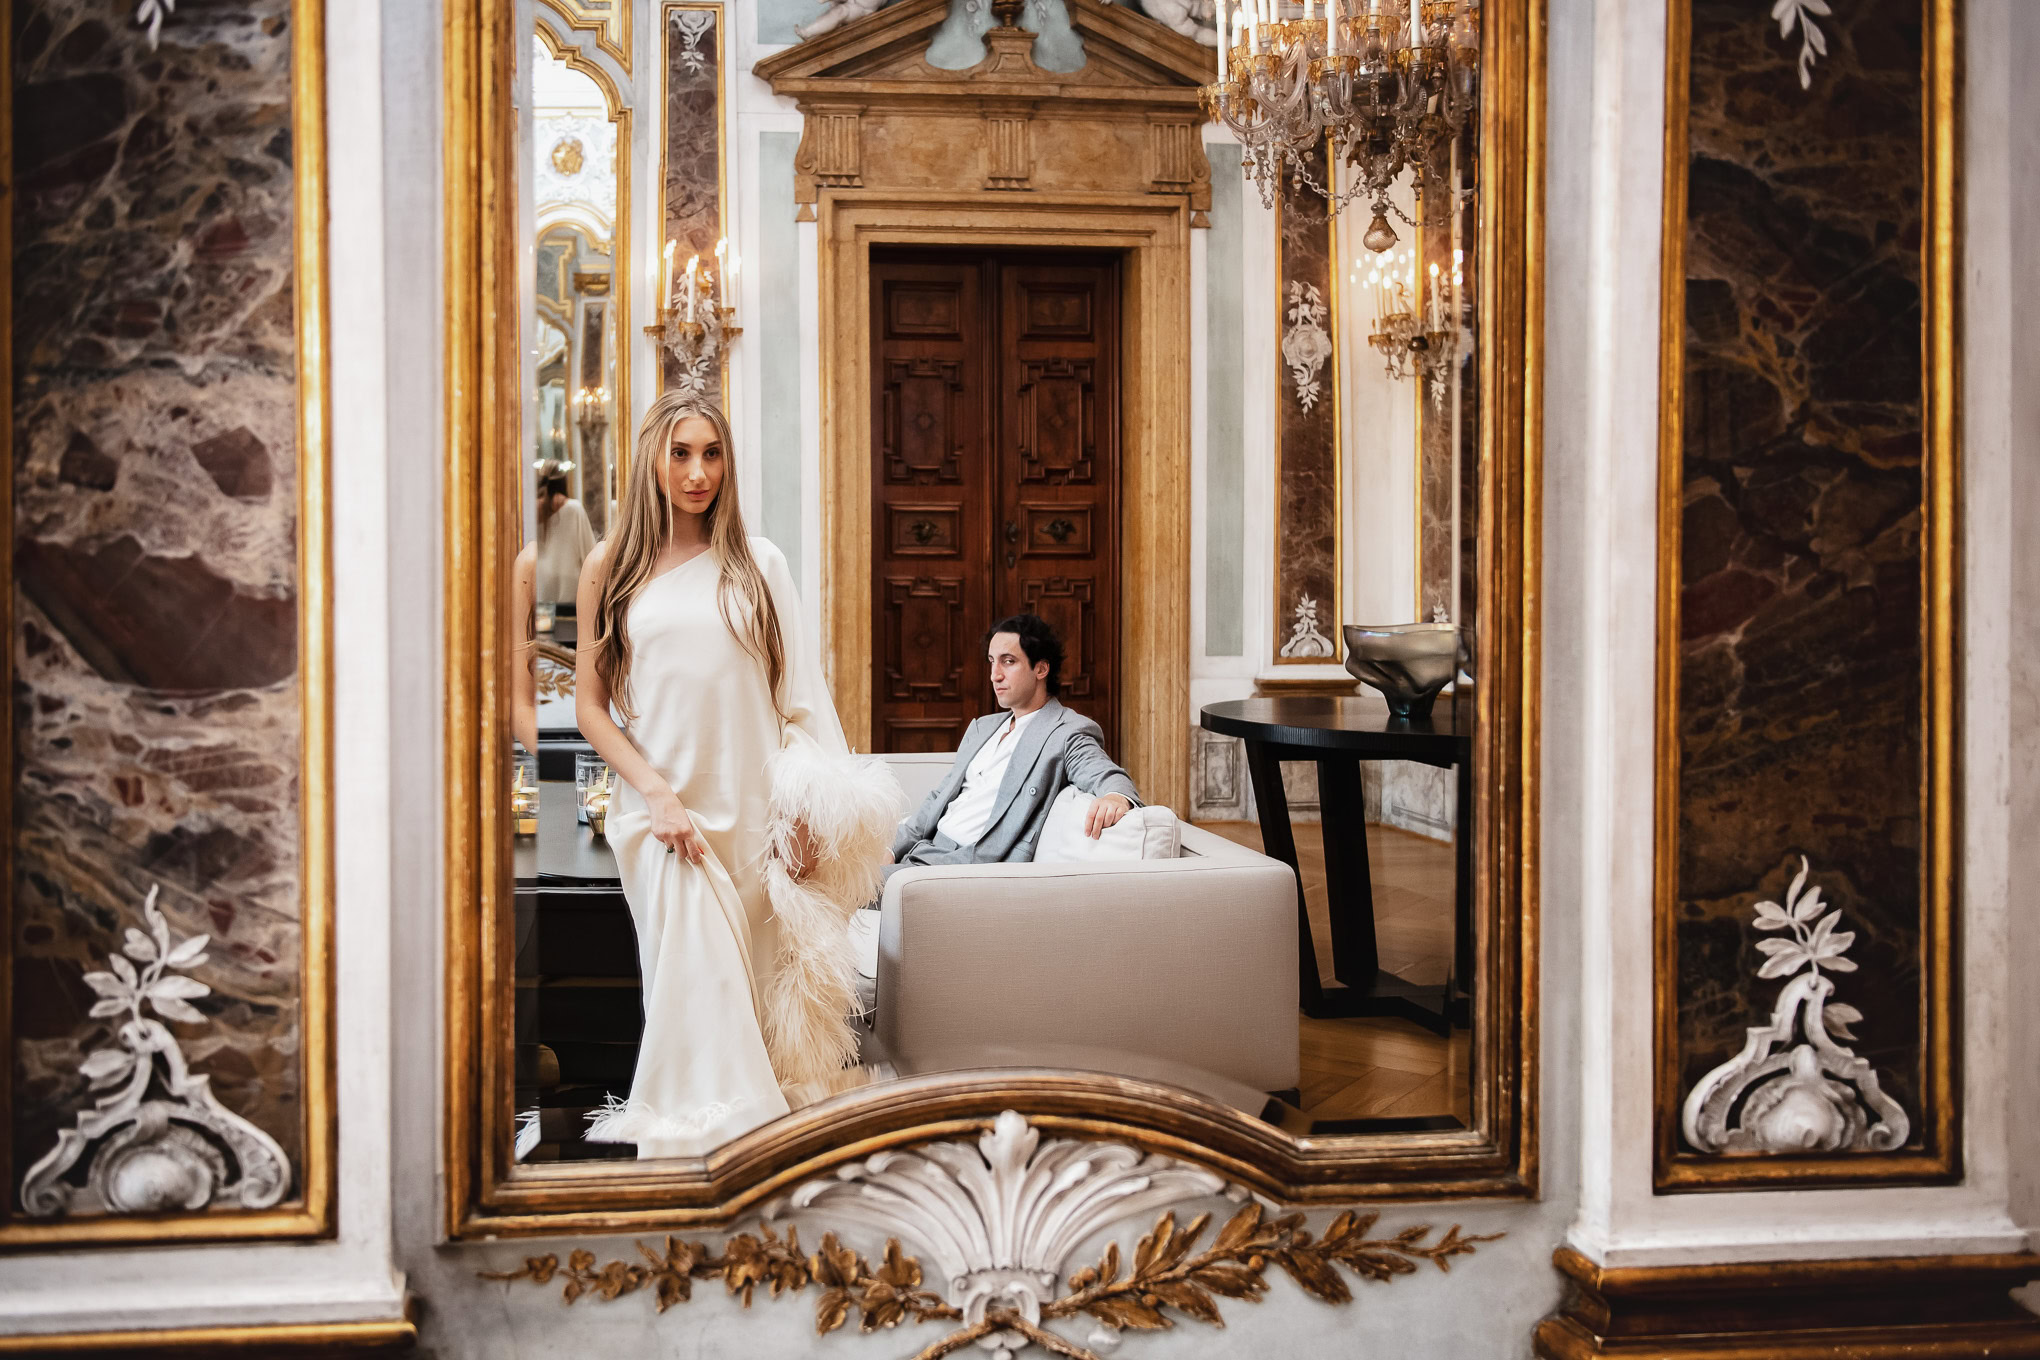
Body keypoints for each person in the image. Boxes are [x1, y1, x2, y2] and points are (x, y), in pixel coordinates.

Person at [573, 393, 899, 1158]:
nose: (697, 472)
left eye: (711, 454)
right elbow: (592, 710)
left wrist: (804, 818)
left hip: (753, 816)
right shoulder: (609, 565)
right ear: (653, 456)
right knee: (696, 991)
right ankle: (709, 1170)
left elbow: (801, 702)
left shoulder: (760, 563)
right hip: (662, 817)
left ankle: (761, 1182)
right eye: (681, 453)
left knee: (749, 1003)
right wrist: (655, 794)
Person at [889, 615, 1139, 873]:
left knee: (847, 889)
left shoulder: (1066, 732)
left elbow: (1103, 772)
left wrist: (1116, 797)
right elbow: (938, 798)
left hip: (965, 866)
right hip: (925, 849)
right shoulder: (982, 728)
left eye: (1008, 662)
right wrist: (892, 849)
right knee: (850, 872)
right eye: (991, 661)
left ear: (1041, 669)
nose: (995, 675)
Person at [534, 459, 597, 605]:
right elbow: (590, 554)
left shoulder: (533, 510)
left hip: (541, 590)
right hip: (570, 590)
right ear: (563, 480)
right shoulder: (573, 508)